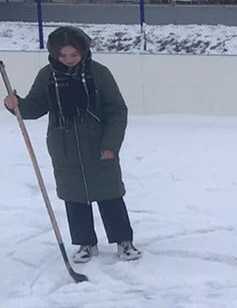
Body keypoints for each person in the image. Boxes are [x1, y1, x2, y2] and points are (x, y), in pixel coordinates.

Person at [3, 25, 140, 262]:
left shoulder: (99, 74)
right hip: (64, 145)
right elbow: (35, 108)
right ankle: (86, 244)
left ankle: (124, 241)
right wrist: (15, 104)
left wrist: (111, 144)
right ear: (54, 54)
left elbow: (117, 110)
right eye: (63, 55)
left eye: (74, 55)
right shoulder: (47, 76)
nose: (68, 60)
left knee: (110, 194)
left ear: (84, 52)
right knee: (74, 196)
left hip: (98, 144)